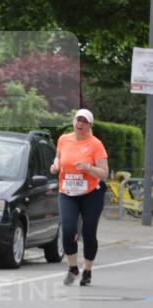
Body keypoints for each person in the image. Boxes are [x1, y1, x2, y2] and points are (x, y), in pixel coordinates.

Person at [50, 108, 109, 286]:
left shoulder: (96, 144)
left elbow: (104, 172)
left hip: (91, 193)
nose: (80, 124)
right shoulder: (63, 139)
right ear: (73, 122)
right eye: (78, 120)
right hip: (67, 192)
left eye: (84, 121)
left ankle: (88, 270)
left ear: (90, 125)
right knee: (68, 231)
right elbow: (58, 158)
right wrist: (55, 165)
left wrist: (88, 167)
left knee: (88, 233)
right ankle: (72, 268)